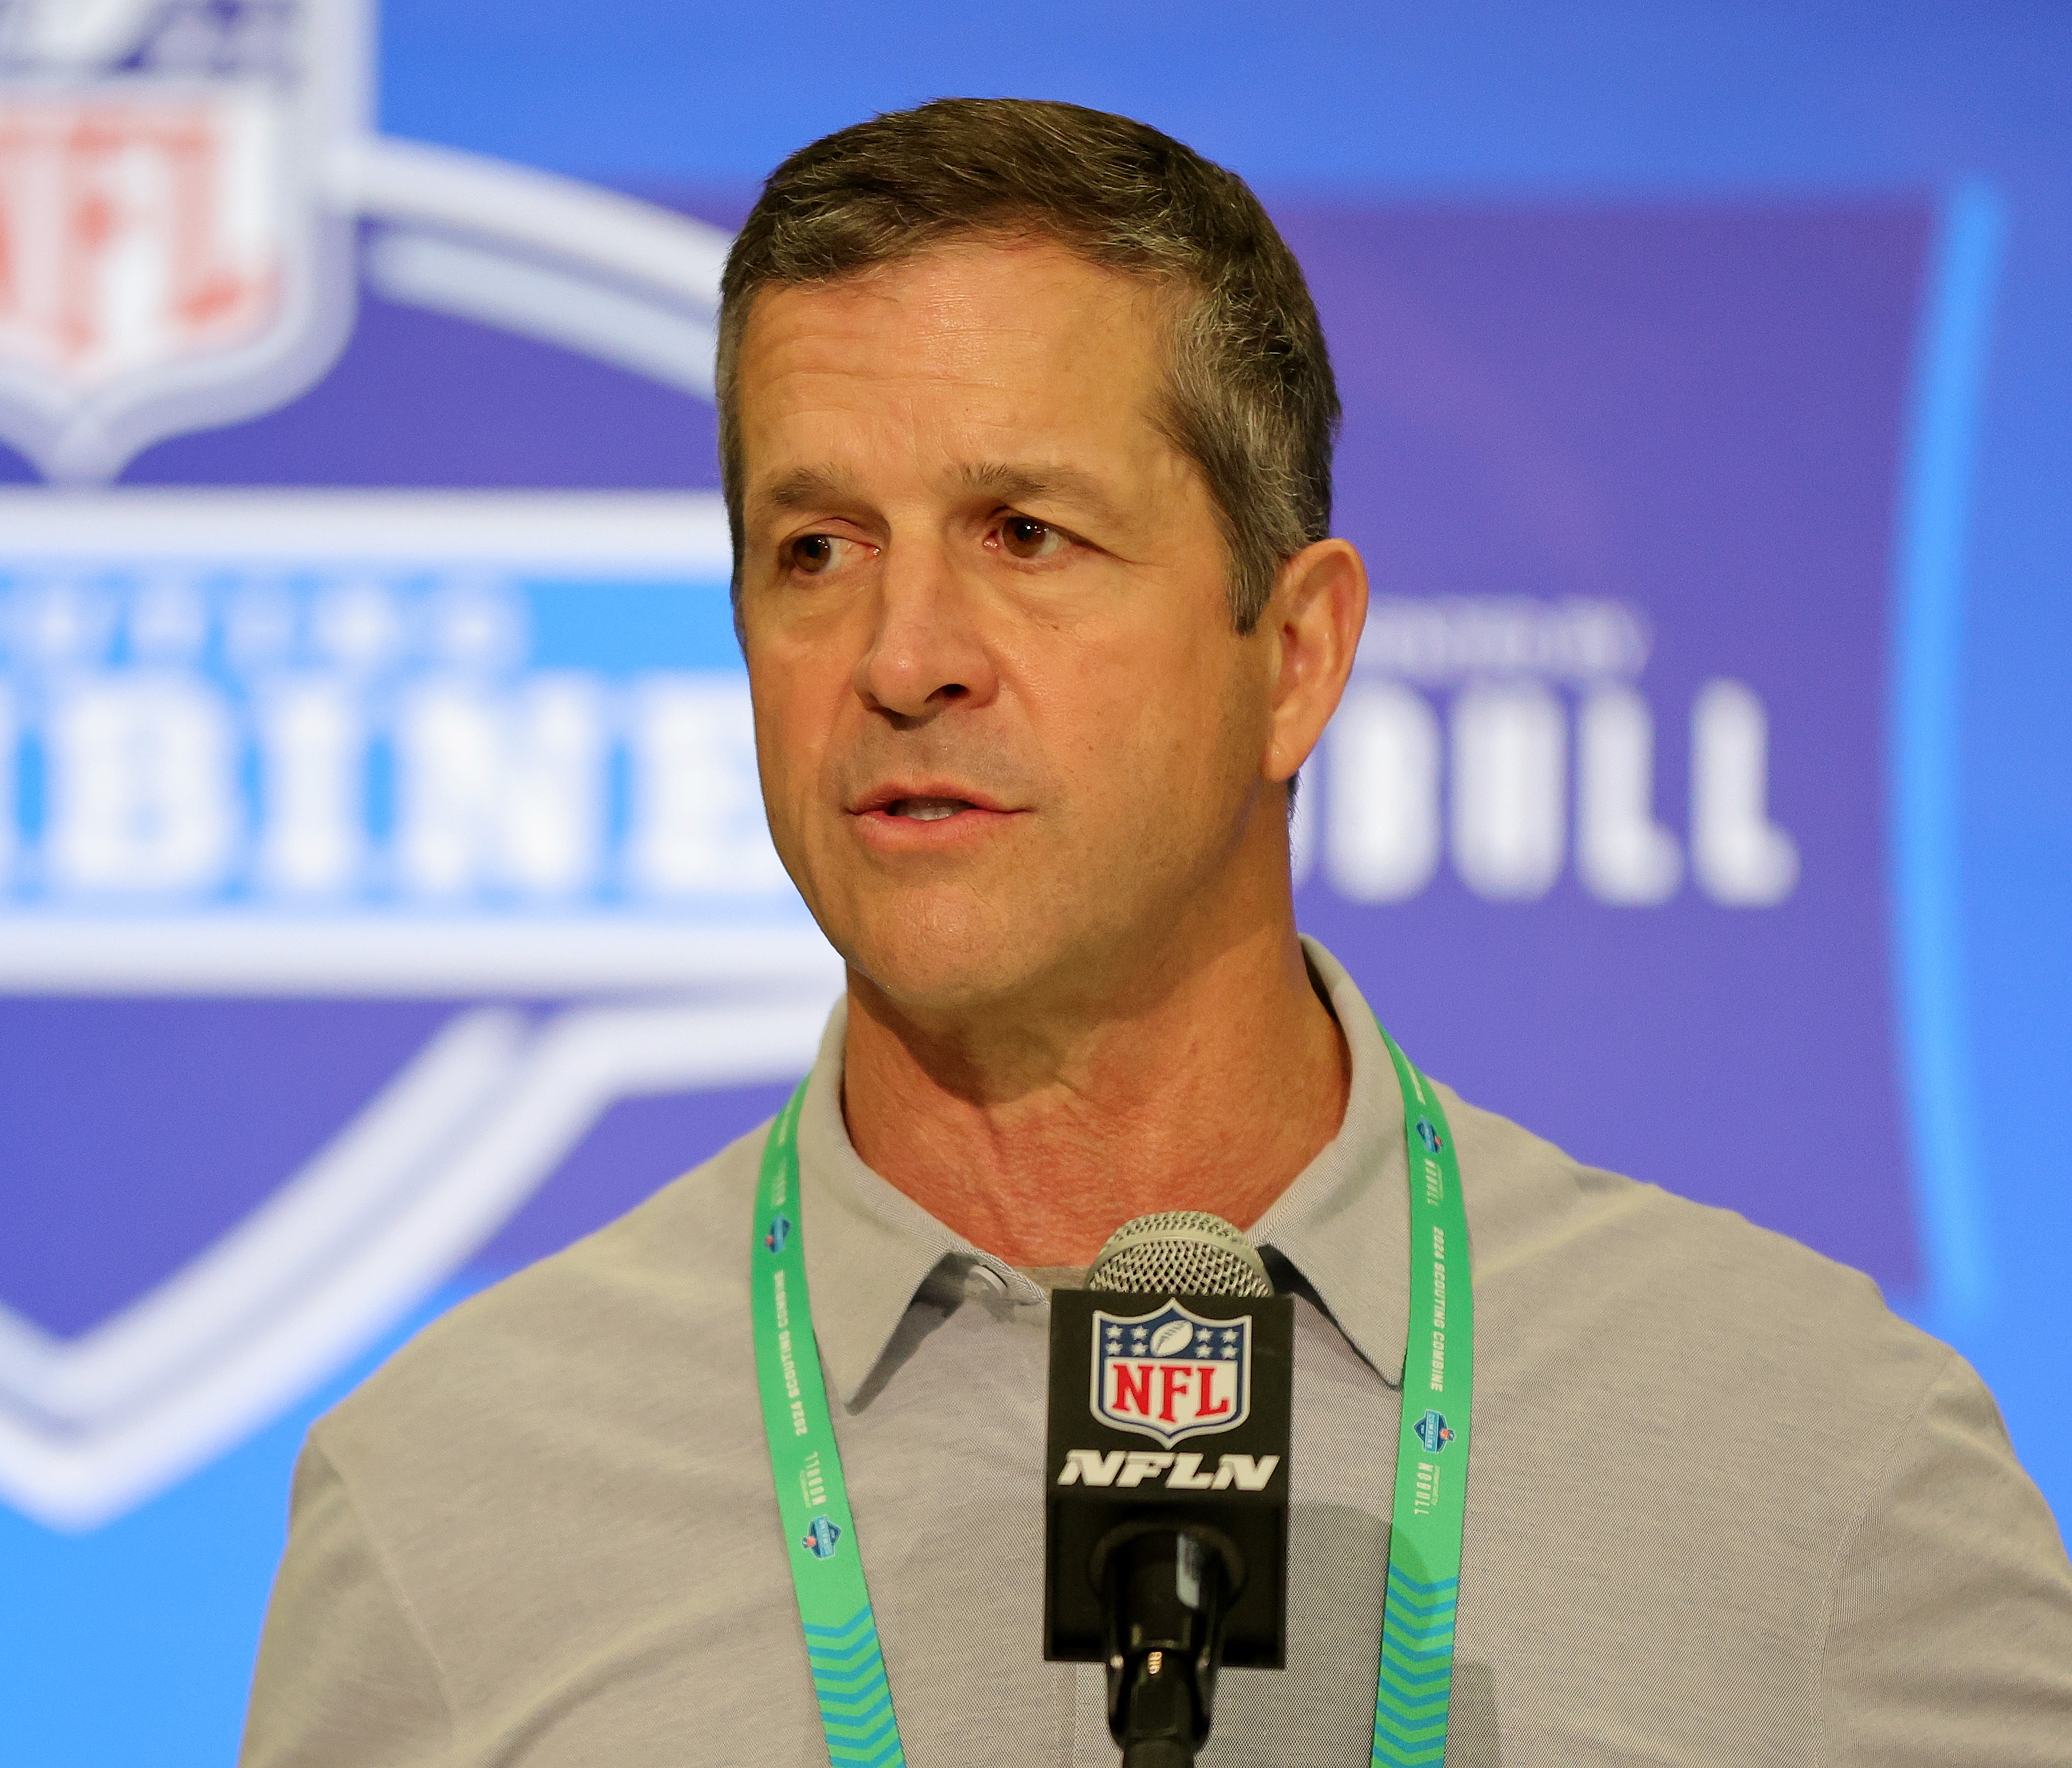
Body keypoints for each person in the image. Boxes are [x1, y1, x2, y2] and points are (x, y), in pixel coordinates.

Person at [239, 99, 2072, 1765]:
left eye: (1025, 533)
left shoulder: (1824, 1466)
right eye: (817, 548)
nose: (900, 657)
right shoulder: (449, 1502)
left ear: (1295, 657)